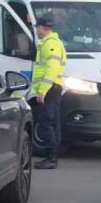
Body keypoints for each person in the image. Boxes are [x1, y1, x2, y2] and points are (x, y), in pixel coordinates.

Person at [29, 14, 67, 170]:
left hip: (50, 89)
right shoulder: (51, 43)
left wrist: (42, 90)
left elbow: (51, 69)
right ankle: (53, 155)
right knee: (52, 122)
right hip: (54, 88)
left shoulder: (50, 44)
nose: (36, 31)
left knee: (46, 122)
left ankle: (51, 157)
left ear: (41, 28)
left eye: (36, 28)